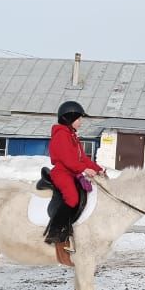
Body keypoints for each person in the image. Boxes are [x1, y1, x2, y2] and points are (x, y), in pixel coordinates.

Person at [44, 100, 105, 250]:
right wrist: (84, 170)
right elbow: (68, 160)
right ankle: (55, 231)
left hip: (72, 172)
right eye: (78, 119)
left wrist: (98, 169)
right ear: (68, 119)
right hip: (62, 172)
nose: (80, 122)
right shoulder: (61, 135)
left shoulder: (72, 136)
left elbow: (82, 158)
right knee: (72, 198)